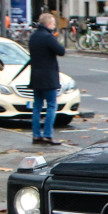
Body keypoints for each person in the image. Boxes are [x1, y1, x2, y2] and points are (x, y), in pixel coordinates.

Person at [28, 12, 67, 145]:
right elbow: (61, 51)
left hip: (36, 76)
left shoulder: (33, 36)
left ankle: (36, 135)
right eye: (54, 24)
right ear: (49, 24)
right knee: (51, 106)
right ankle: (48, 135)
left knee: (37, 107)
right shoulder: (48, 37)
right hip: (48, 77)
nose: (54, 26)